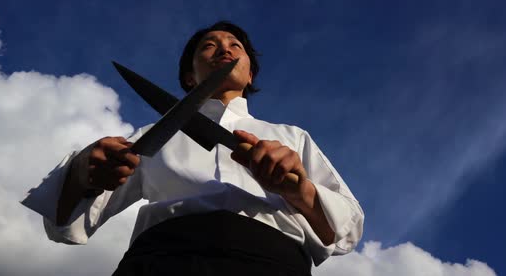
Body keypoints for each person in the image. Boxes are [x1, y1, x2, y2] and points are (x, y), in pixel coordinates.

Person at [22, 21, 364, 275]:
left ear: (249, 76)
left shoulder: (292, 137)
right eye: (209, 46)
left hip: (272, 264)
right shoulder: (148, 136)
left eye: (235, 46)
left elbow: (347, 232)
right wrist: (84, 174)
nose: (224, 49)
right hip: (160, 263)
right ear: (189, 77)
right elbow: (64, 225)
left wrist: (299, 190)